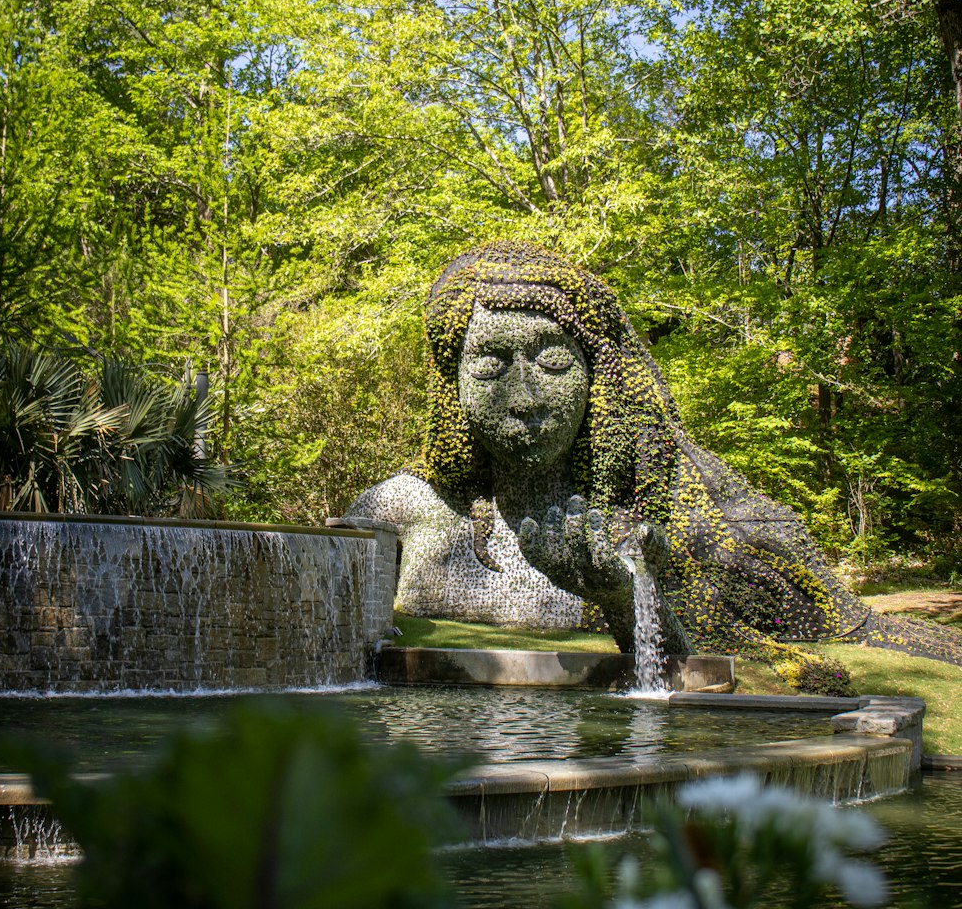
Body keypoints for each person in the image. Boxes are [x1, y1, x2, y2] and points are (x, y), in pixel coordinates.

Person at [342, 241, 933, 660]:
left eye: (551, 361)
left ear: (596, 376)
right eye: (492, 363)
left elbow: (690, 682)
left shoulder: (658, 514)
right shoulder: (395, 512)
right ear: (452, 381)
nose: (523, 396)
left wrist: (621, 598)